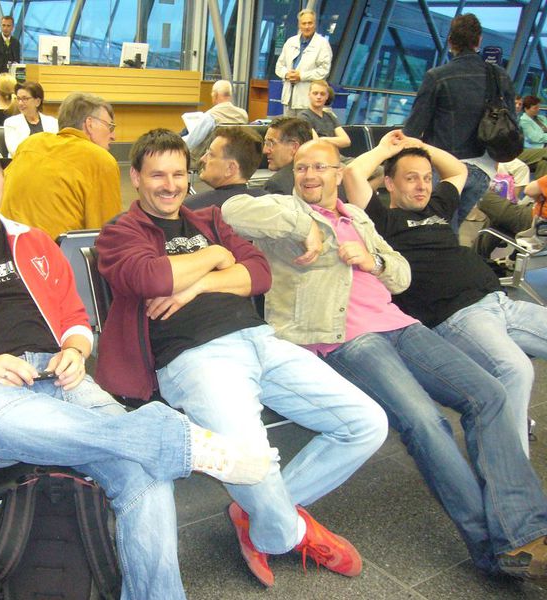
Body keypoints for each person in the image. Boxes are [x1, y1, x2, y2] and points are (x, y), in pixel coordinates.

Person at [0, 122, 277, 600]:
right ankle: (175, 438)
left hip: (59, 380)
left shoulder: (34, 242)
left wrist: (75, 350)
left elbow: (76, 319)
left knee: (146, 472)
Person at [223, 138, 547, 580]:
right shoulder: (282, 211)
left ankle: (523, 531)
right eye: (301, 168)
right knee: (424, 420)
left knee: (489, 395)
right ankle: (492, 548)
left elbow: (401, 276)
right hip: (344, 338)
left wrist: (372, 260)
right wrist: (306, 225)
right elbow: (233, 210)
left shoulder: (357, 216)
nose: (310, 175)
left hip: (401, 325)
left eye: (320, 167)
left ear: (339, 174)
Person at [96, 128, 388, 587]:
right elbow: (151, 278)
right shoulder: (120, 233)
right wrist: (216, 256)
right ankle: (289, 532)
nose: (170, 185)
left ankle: (257, 511)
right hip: (195, 358)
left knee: (367, 423)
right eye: (157, 175)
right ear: (135, 177)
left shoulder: (209, 219)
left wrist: (198, 282)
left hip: (261, 341)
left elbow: (259, 273)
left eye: (178, 174)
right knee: (250, 458)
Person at [343, 129, 547, 455]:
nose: (422, 186)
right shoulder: (380, 220)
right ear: (390, 184)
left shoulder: (437, 208)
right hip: (459, 315)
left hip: (501, 302)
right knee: (515, 369)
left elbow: (457, 171)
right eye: (411, 178)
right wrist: (386, 149)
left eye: (426, 178)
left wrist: (420, 145)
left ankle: (508, 442)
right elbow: (353, 172)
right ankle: (512, 470)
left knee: (516, 369)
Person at [403, 13, 514, 230]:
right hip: (483, 169)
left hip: (445, 168)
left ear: (450, 41)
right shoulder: (500, 76)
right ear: (479, 40)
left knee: (438, 230)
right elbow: (511, 123)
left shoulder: (437, 76)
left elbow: (413, 129)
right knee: (447, 230)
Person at [0, 92, 119, 239]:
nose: (113, 136)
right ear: (90, 124)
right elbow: (107, 235)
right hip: (54, 250)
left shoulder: (30, 143)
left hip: (5, 243)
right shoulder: (100, 160)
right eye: (110, 126)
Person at [186, 126, 266, 210]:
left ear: (230, 168)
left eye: (211, 154)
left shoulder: (192, 208)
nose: (203, 159)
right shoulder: (269, 203)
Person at [274, 9, 332, 117]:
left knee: (305, 127)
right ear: (299, 25)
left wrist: (301, 76)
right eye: (304, 23)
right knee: (288, 127)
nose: (307, 26)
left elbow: (324, 71)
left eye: (310, 23)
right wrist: (287, 74)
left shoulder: (322, 44)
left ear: (315, 24)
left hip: (307, 100)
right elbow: (279, 66)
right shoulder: (290, 42)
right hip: (288, 99)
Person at [183, 80, 249, 155]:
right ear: (230, 96)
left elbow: (191, 142)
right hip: (235, 156)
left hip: (209, 157)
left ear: (215, 95)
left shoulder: (211, 116)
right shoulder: (243, 114)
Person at [2, 80, 59, 156]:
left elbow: (56, 148)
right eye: (18, 99)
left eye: (25, 99)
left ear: (37, 101)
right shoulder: (11, 123)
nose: (20, 103)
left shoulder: (52, 122)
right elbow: (14, 151)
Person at [262, 116, 313, 194]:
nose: (265, 150)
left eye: (271, 143)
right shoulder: (325, 175)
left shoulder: (276, 185)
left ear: (294, 147)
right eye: (266, 143)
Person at [299, 80, 350, 149]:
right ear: (309, 95)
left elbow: (346, 141)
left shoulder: (330, 116)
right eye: (315, 93)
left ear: (327, 96)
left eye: (322, 94)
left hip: (336, 154)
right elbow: (316, 142)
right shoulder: (304, 116)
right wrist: (335, 140)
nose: (318, 97)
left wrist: (323, 139)